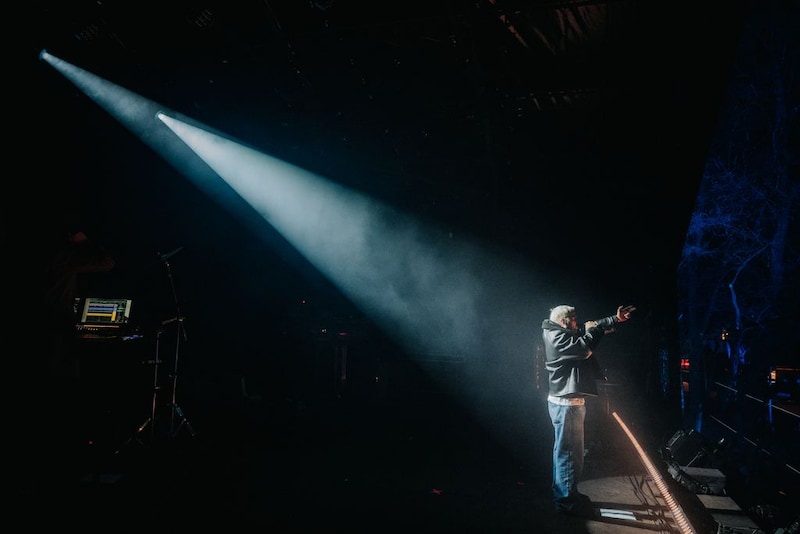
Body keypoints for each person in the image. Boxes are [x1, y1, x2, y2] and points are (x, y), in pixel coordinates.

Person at [541, 303, 635, 518]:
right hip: (565, 405)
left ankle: (568, 494)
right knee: (567, 454)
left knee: (571, 455)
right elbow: (584, 348)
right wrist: (593, 330)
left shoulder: (560, 331)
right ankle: (566, 503)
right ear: (566, 321)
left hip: (569, 404)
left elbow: (590, 327)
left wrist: (615, 318)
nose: (578, 324)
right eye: (575, 320)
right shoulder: (557, 338)